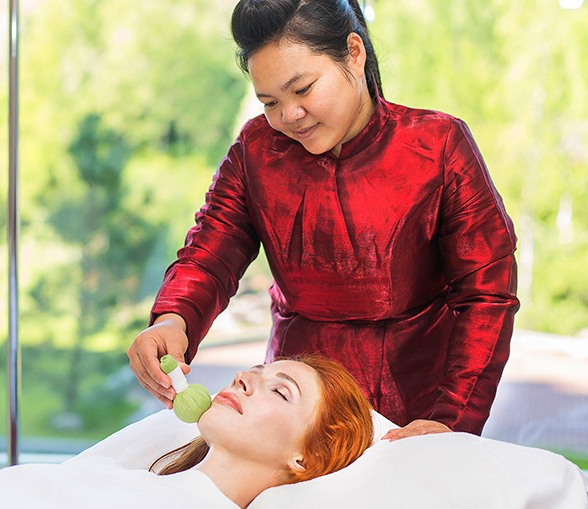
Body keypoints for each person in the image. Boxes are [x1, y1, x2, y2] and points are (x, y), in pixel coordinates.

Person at [128, 0, 519, 439]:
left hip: (417, 415)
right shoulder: (257, 151)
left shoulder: (437, 145)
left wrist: (452, 418)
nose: (289, 116)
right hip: (292, 415)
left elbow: (487, 294)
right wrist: (173, 320)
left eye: (303, 89)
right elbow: (208, 256)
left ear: (354, 53)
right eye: (270, 102)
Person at [152, 355, 374, 507]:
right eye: (253, 372)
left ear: (308, 458)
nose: (241, 376)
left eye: (280, 391)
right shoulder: (135, 482)